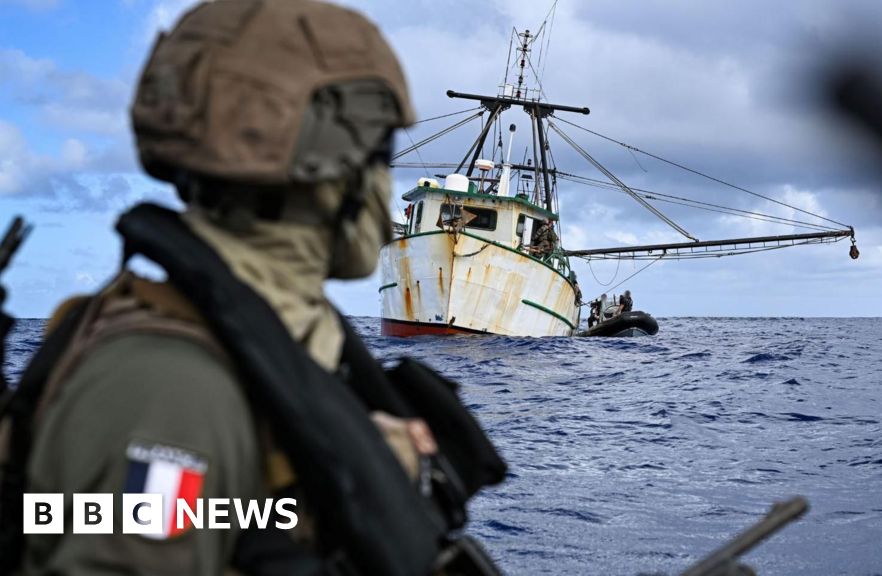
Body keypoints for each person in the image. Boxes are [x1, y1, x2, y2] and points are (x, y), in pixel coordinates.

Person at [0, 2, 504, 575]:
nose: (387, 191)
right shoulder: (172, 392)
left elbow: (216, 511)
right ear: (328, 174)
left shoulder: (282, 343)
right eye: (381, 156)